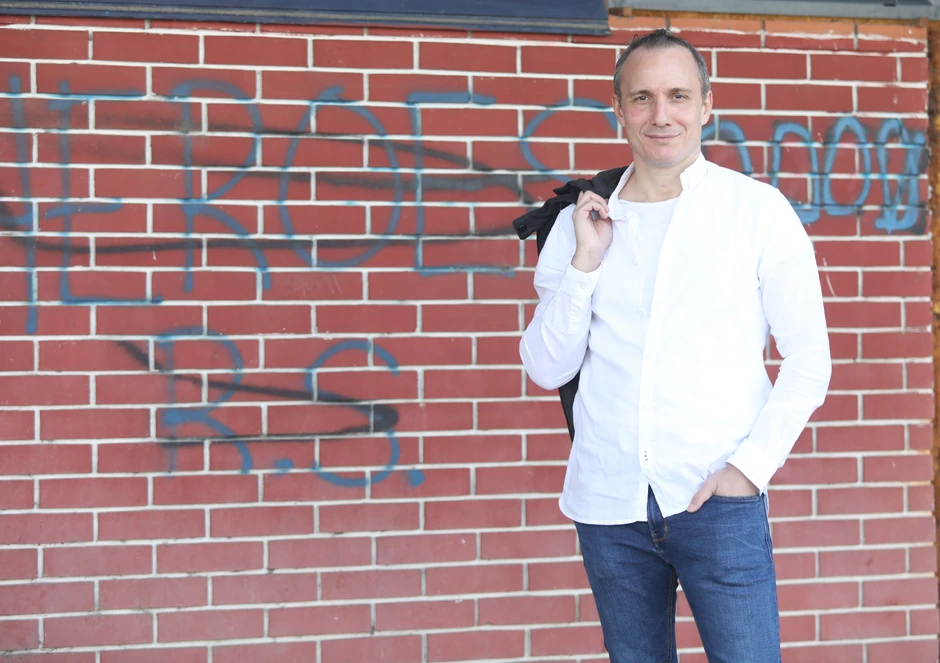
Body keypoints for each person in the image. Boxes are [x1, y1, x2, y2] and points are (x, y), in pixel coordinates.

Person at [515, 29, 831, 662]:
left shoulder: (756, 211)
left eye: (679, 95)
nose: (662, 115)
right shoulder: (581, 221)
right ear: (619, 108)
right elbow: (547, 367)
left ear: (707, 105)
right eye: (643, 97)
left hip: (717, 500)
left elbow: (809, 361)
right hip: (609, 504)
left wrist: (749, 470)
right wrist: (585, 262)